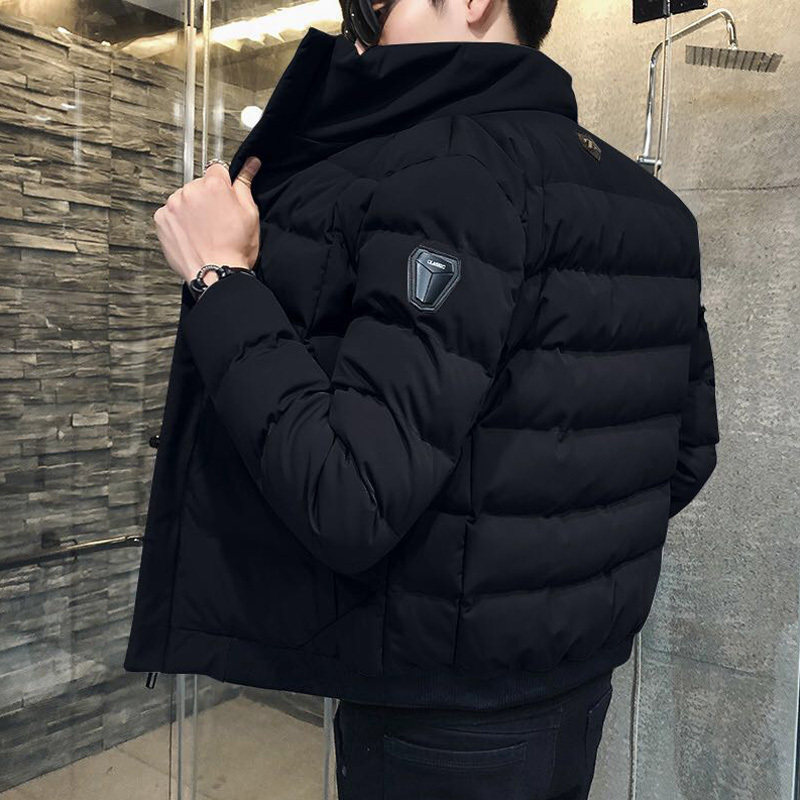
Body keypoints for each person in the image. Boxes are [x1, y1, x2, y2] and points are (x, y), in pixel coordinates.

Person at [124, 0, 720, 797]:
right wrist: (540, 567)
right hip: (575, 690)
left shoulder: (447, 175)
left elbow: (350, 496)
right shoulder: (653, 209)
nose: (363, 36)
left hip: (437, 719)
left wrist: (220, 280)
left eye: (377, 7)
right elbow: (683, 456)